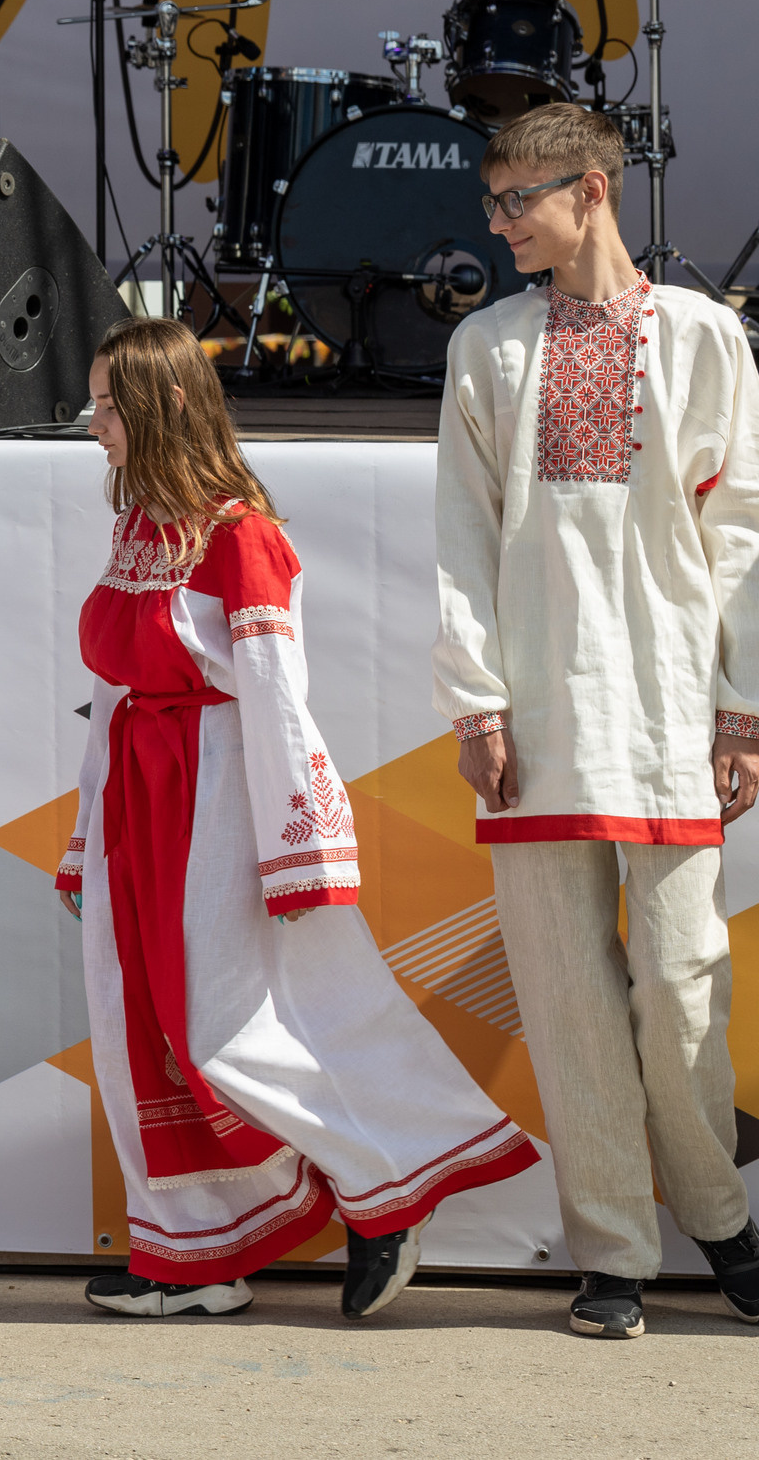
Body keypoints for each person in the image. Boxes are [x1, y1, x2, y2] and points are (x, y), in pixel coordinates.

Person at [60, 318, 538, 1321]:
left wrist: (298, 850)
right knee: (138, 1022)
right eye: (97, 400)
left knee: (222, 1029)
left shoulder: (241, 540)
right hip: (138, 804)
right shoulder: (139, 528)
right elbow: (112, 689)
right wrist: (85, 836)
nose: (91, 420)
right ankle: (194, 1254)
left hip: (219, 800)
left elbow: (279, 699)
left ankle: (383, 1191)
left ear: (167, 405)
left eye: (110, 402)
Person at [435, 102, 759, 1340]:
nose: (499, 223)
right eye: (493, 203)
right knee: (567, 994)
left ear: (593, 192)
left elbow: (741, 536)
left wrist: (742, 709)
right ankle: (614, 1252)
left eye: (518, 200)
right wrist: (475, 698)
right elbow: (460, 535)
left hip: (672, 704)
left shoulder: (702, 337)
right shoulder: (490, 346)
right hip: (536, 713)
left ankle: (719, 1218)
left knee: (681, 987)